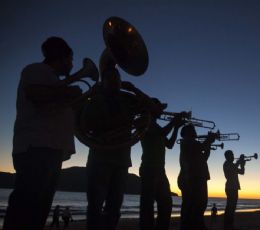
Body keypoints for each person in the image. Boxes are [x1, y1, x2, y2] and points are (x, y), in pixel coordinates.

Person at [4, 37, 82, 230]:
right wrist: (68, 91)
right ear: (62, 57)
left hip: (49, 151)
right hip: (37, 148)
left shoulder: (53, 80)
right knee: (25, 211)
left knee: (37, 213)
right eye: (71, 59)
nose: (72, 64)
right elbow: (38, 96)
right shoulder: (36, 70)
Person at [81, 68, 150, 230]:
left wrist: (133, 89)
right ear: (103, 82)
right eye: (110, 78)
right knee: (95, 207)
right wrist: (118, 122)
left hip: (122, 160)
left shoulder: (127, 100)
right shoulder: (95, 100)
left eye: (117, 78)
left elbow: (153, 108)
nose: (114, 81)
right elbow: (86, 125)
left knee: (114, 207)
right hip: (100, 159)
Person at [139, 99, 184, 230]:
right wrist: (173, 122)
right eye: (159, 108)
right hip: (149, 168)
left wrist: (176, 127)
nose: (162, 111)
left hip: (160, 169)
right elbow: (160, 134)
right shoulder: (144, 122)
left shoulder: (158, 126)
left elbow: (169, 144)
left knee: (166, 204)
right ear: (152, 109)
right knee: (147, 206)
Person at [178, 124, 216, 230]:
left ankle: (198, 225)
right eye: (193, 130)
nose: (195, 132)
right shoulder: (186, 142)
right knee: (191, 206)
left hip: (199, 177)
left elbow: (204, 157)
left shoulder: (194, 144)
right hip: (190, 178)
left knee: (201, 204)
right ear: (187, 133)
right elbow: (201, 147)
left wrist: (208, 144)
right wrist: (208, 140)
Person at [223, 150, 245, 229]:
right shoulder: (226, 164)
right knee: (230, 207)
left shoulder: (232, 164)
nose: (233, 156)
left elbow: (242, 172)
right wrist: (239, 162)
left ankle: (230, 224)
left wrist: (242, 165)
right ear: (227, 156)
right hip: (230, 187)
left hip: (234, 187)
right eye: (231, 155)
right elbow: (232, 169)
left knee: (232, 207)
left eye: (233, 155)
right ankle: (227, 225)